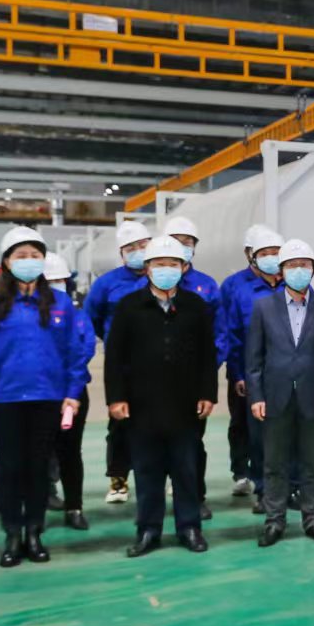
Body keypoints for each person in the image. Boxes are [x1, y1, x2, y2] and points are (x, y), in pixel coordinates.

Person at [0, 226, 87, 569]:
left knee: (38, 468)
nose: (29, 261)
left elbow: (74, 353)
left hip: (47, 398)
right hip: (6, 399)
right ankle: (12, 534)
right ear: (6, 262)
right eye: (21, 256)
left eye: (35, 255)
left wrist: (72, 394)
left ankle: (34, 532)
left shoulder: (60, 304)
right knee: (10, 468)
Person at [105, 239, 216, 558]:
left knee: (186, 469)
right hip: (142, 406)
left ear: (184, 267)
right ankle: (148, 530)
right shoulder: (129, 306)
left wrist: (208, 393)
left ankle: (189, 527)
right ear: (147, 269)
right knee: (147, 471)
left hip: (186, 405)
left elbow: (207, 354)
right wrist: (116, 398)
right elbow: (115, 356)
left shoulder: (196, 306)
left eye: (172, 264)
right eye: (159, 264)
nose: (166, 270)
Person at [245, 239, 314, 547]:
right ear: (281, 271)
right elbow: (254, 358)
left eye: (304, 265)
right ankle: (274, 521)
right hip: (275, 397)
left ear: (313, 269)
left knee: (312, 463)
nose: (299, 270)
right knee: (274, 464)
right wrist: (257, 396)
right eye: (292, 265)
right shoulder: (263, 307)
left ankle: (313, 519)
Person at [87, 218, 153, 505]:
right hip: (121, 364)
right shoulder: (106, 284)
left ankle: (159, 476)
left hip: (159, 362)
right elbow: (92, 318)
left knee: (159, 420)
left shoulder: (163, 277)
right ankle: (118, 479)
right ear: (121, 253)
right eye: (131, 248)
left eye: (142, 245)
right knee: (120, 422)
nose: (138, 251)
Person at [163, 214, 222, 517]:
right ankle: (153, 508)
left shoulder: (206, 288)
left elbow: (219, 334)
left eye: (188, 243)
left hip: (192, 383)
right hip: (156, 384)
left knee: (192, 443)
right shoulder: (145, 289)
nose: (183, 247)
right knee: (154, 445)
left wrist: (207, 374)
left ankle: (195, 498)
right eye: (177, 242)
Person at [217, 224, 281, 498]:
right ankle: (243, 472)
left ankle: (276, 479)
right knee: (243, 424)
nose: (271, 257)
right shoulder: (235, 287)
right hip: (246, 370)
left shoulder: (290, 284)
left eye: (276, 252)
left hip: (281, 371)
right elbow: (229, 332)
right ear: (250, 255)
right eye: (265, 252)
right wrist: (237, 373)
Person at [44, 253, 94, 532]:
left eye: (60, 280)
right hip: (38, 392)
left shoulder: (75, 313)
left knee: (70, 451)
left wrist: (71, 389)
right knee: (34, 452)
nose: (56, 285)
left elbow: (85, 348)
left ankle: (74, 506)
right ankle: (35, 507)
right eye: (50, 281)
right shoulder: (25, 311)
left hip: (72, 392)